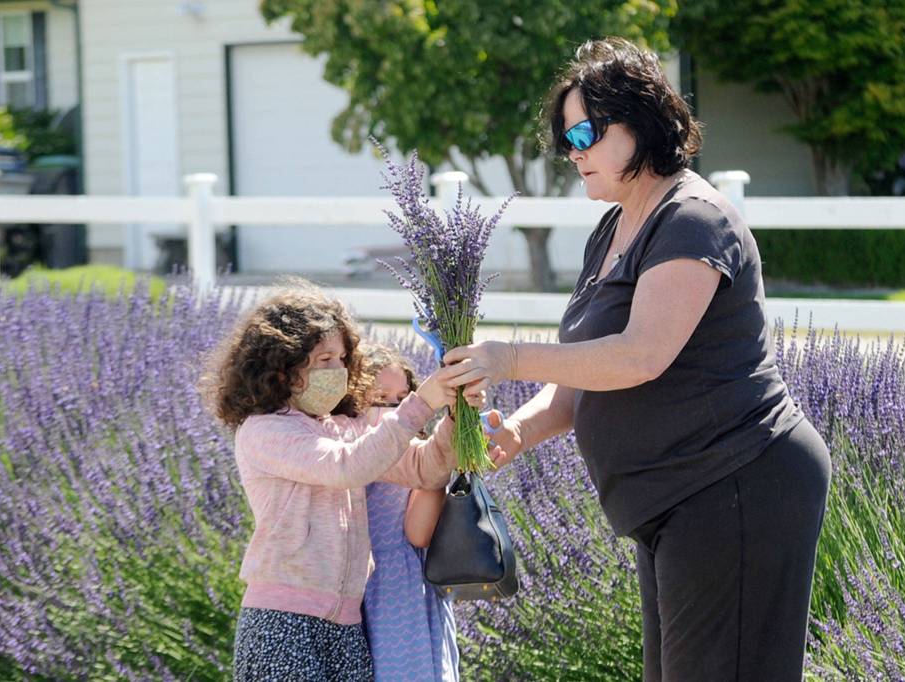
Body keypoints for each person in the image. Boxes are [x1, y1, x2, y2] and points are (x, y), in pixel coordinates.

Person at [443, 38, 832, 681]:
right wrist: (518, 431)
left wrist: (505, 357)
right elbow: (580, 377)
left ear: (642, 121)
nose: (574, 152)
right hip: (677, 499)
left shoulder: (692, 219)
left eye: (587, 132)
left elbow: (640, 356)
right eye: (566, 139)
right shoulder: (615, 225)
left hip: (734, 483)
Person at [200, 284, 496, 681]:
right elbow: (345, 467)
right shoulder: (263, 432)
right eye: (324, 359)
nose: (338, 371)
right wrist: (421, 403)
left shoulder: (342, 428)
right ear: (283, 367)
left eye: (342, 358)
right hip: (284, 623)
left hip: (347, 626)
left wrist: (455, 416)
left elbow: (423, 469)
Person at [357, 343, 459, 681]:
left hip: (402, 593)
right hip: (355, 587)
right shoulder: (348, 447)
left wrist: (437, 466)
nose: (392, 410)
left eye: (402, 400)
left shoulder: (415, 457)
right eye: (380, 399)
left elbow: (418, 533)